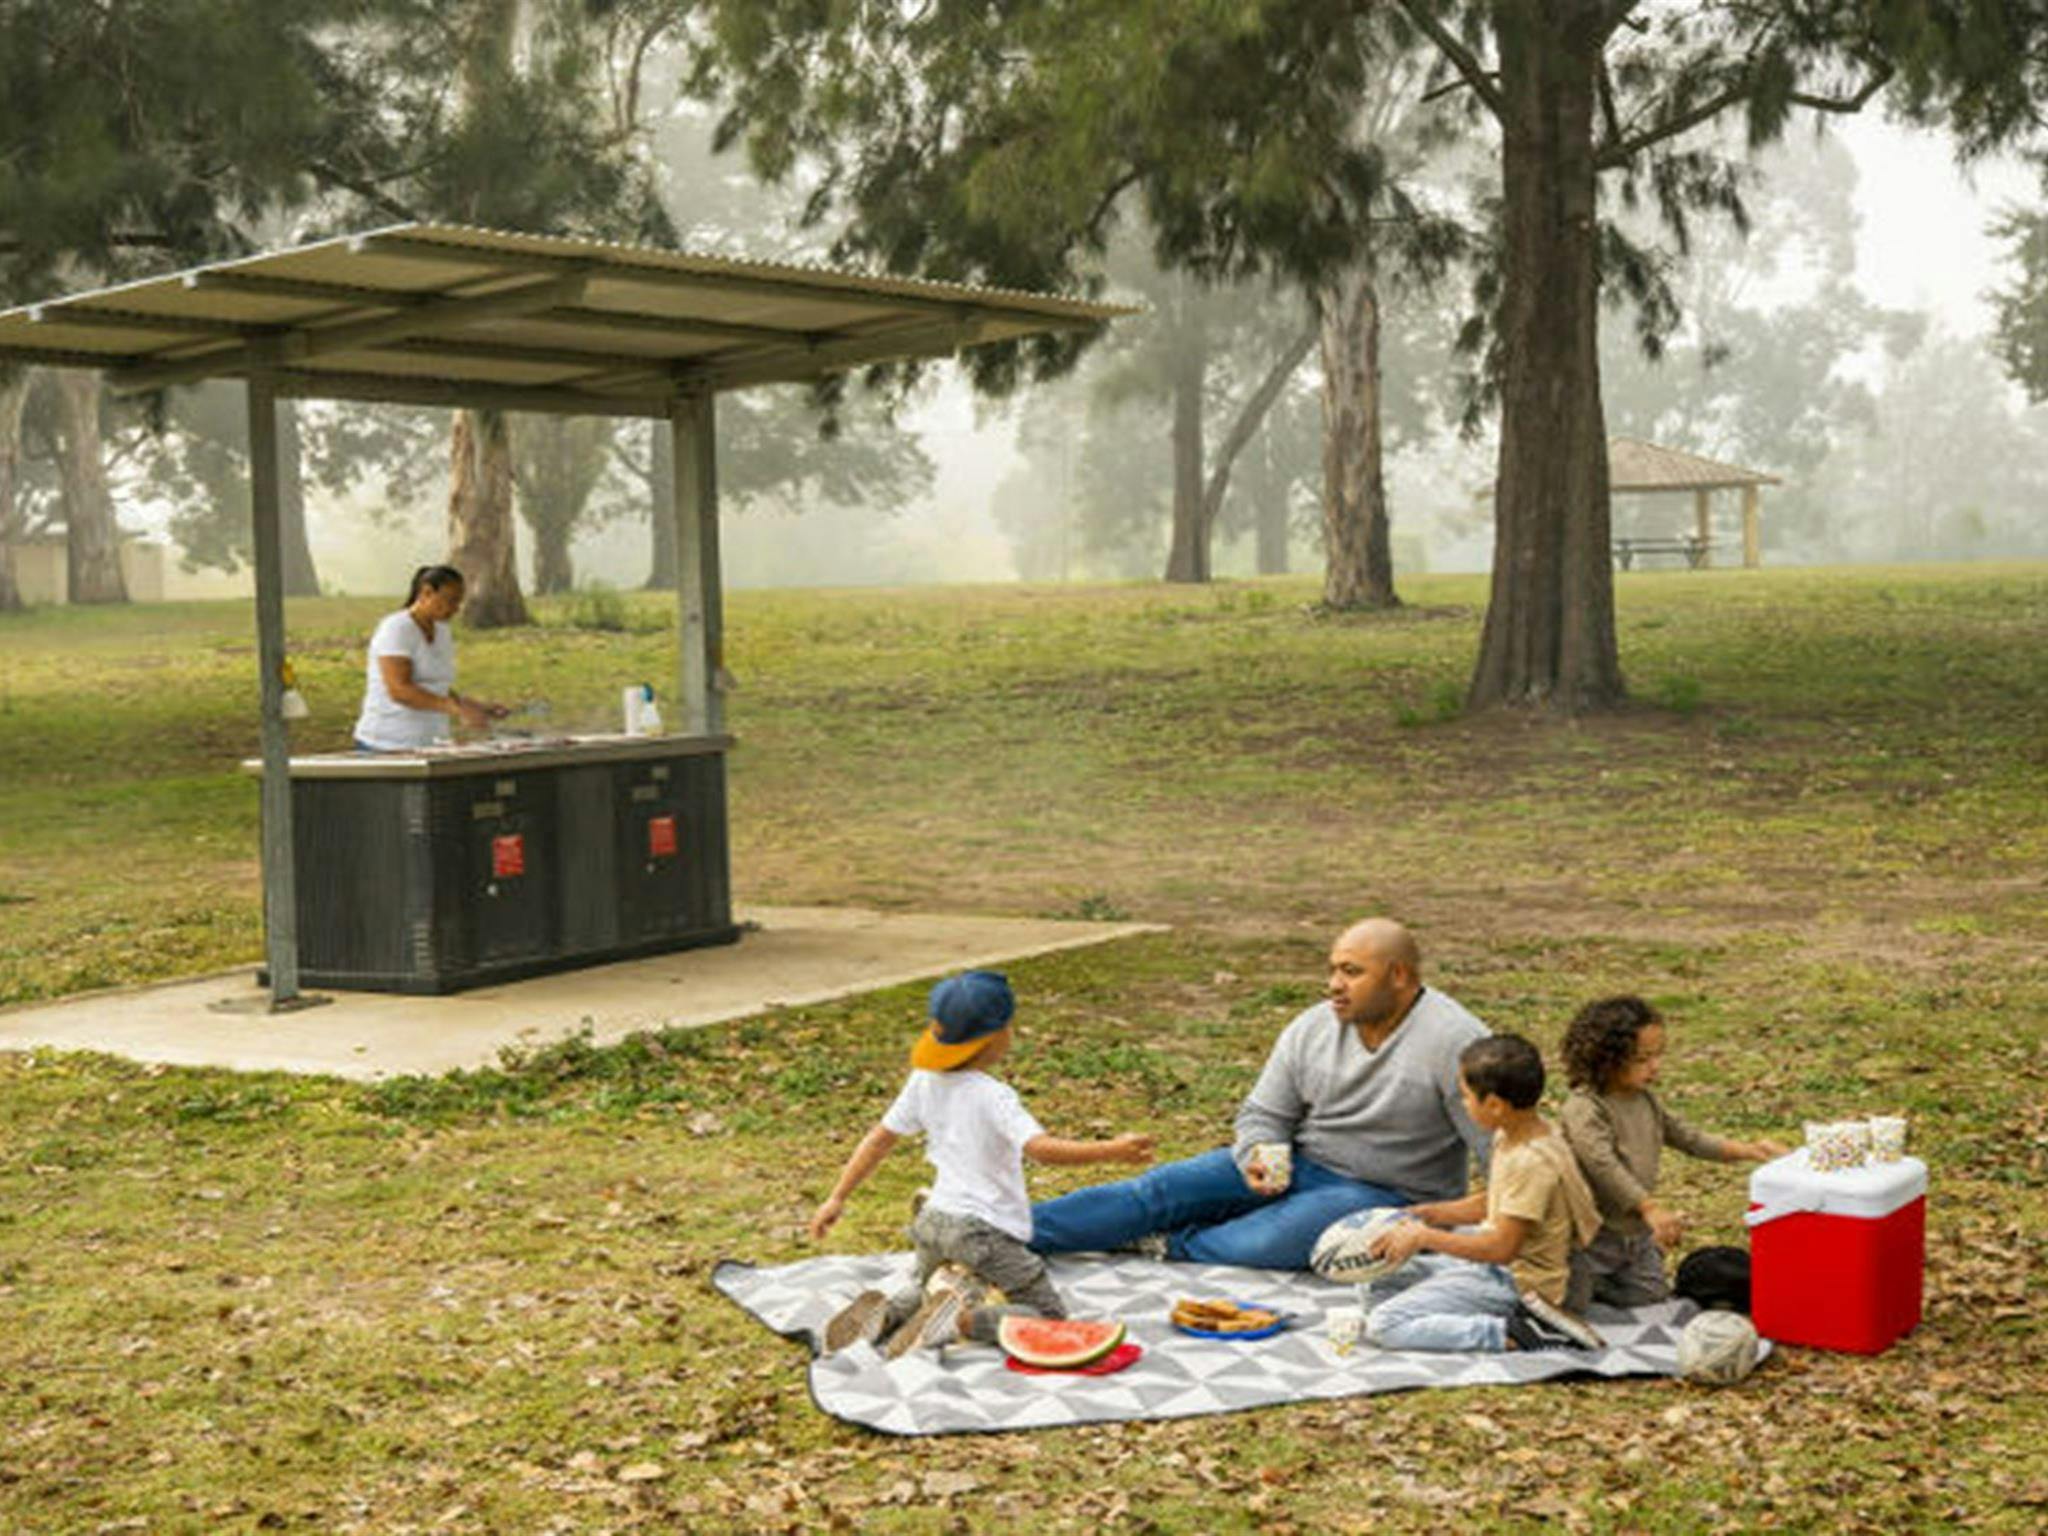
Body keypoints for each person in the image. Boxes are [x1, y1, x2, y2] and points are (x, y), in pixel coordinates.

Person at [1027, 917, 1491, 1271]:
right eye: (1332, 970)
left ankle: (1167, 1244)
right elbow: (1264, 1113)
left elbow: (1505, 1156)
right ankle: (1008, 1229)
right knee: (1159, 1190)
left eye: (1352, 972)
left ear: (1399, 977)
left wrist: (1440, 1217)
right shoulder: (1313, 1026)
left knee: (1263, 1242)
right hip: (1297, 1163)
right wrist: (1260, 1152)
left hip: (1385, 1193)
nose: (1334, 985)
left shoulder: (1456, 1043)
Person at [809, 970, 1154, 1357]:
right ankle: (960, 1322)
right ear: (998, 1035)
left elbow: (879, 1138)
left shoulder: (923, 1079)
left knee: (925, 1288)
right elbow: (1041, 1149)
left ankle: (888, 1314)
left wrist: (837, 1197)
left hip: (933, 1219)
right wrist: (1112, 1149)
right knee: (1046, 1311)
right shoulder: (994, 1097)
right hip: (983, 1233)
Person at [1358, 1034, 1605, 1352]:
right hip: (1486, 1268)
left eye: (1466, 1097)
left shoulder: (1533, 1161)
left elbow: (1501, 1248)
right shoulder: (1512, 1133)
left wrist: (1425, 1237)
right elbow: (1497, 1203)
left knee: (1384, 1324)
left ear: (1494, 1105)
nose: (1463, 1104)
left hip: (1515, 1284)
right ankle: (1440, 1314)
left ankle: (1518, 1331)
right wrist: (1429, 1214)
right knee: (1374, 1276)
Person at [1558, 995, 1788, 1316]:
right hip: (1590, 1237)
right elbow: (1602, 1165)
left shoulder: (1644, 1100)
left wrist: (1749, 1150)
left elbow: (1688, 1138)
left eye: (1657, 1056)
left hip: (1632, 1235)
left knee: (1652, 1301)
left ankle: (1610, 1285)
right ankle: (1584, 1284)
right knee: (1572, 1308)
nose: (1655, 1067)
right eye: (1642, 1059)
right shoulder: (1586, 1108)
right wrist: (1648, 1206)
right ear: (1605, 1059)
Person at [352, 564, 506, 752]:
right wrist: (457, 710)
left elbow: (435, 686)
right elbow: (399, 690)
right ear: (426, 593)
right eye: (451, 601)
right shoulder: (396, 629)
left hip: (430, 744)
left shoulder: (442, 631)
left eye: (459, 601)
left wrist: (474, 706)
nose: (456, 608)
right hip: (386, 744)